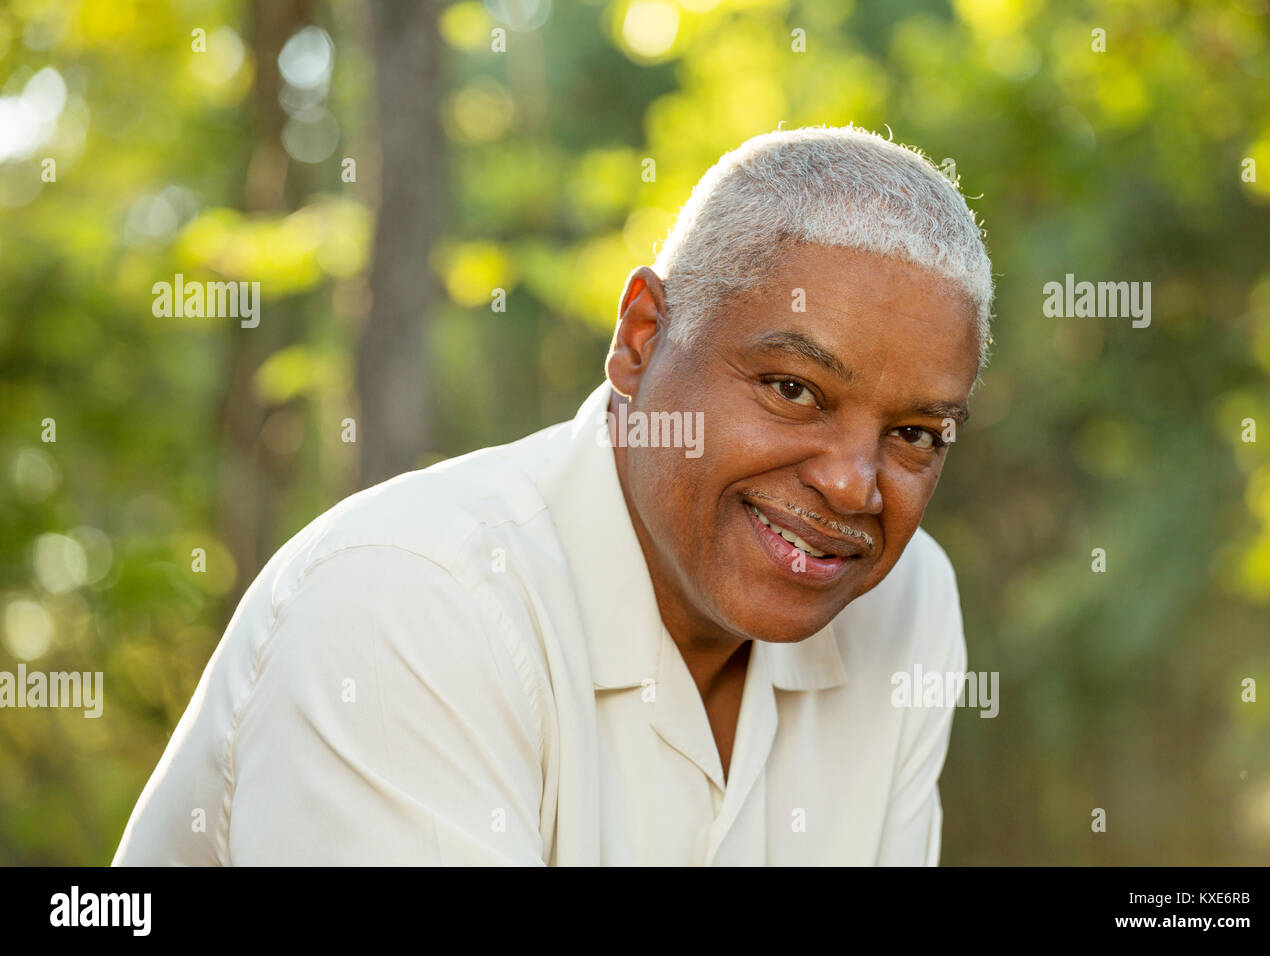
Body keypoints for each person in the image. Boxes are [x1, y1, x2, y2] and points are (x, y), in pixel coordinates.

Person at [113, 124, 993, 866]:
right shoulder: (407, 604)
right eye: (792, 389)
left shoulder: (908, 607)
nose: (851, 483)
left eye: (914, 434)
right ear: (642, 339)